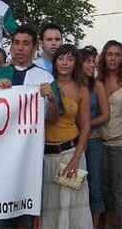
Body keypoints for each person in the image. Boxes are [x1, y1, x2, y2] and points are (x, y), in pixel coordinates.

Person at [0, 25, 61, 228]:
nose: (20, 48)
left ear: (35, 47)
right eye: (16, 43)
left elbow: (53, 118)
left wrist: (51, 98)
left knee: (25, 218)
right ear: (10, 47)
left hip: (30, 158)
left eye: (26, 44)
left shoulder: (45, 77)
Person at [42, 44, 92, 228]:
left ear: (75, 63)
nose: (65, 63)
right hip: (46, 155)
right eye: (61, 58)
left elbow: (85, 126)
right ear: (55, 62)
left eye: (70, 59)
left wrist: (76, 160)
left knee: (73, 208)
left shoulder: (81, 90)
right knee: (49, 206)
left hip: (70, 153)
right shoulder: (44, 83)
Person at [80, 46, 110, 228]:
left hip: (93, 141)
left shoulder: (97, 85)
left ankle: (95, 224)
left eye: (93, 61)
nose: (92, 65)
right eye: (88, 61)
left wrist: (85, 126)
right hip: (74, 143)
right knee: (77, 185)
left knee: (95, 186)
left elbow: (106, 115)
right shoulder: (73, 85)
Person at [97, 40, 122, 228]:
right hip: (99, 142)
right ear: (104, 57)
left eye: (117, 55)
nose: (113, 58)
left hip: (119, 144)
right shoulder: (97, 80)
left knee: (118, 191)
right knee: (103, 190)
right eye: (110, 54)